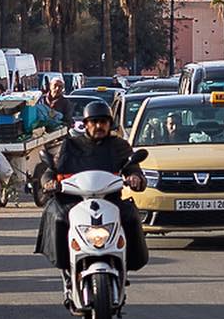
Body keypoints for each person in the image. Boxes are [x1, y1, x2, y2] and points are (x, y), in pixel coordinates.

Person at [34, 100, 148, 274]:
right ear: (86, 124)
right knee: (56, 215)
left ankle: (128, 261)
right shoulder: (70, 145)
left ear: (110, 124)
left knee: (131, 215)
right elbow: (50, 171)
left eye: (103, 122)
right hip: (73, 201)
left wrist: (135, 178)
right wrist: (49, 183)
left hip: (110, 200)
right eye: (94, 122)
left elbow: (133, 167)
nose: (99, 126)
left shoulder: (119, 146)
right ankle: (65, 264)